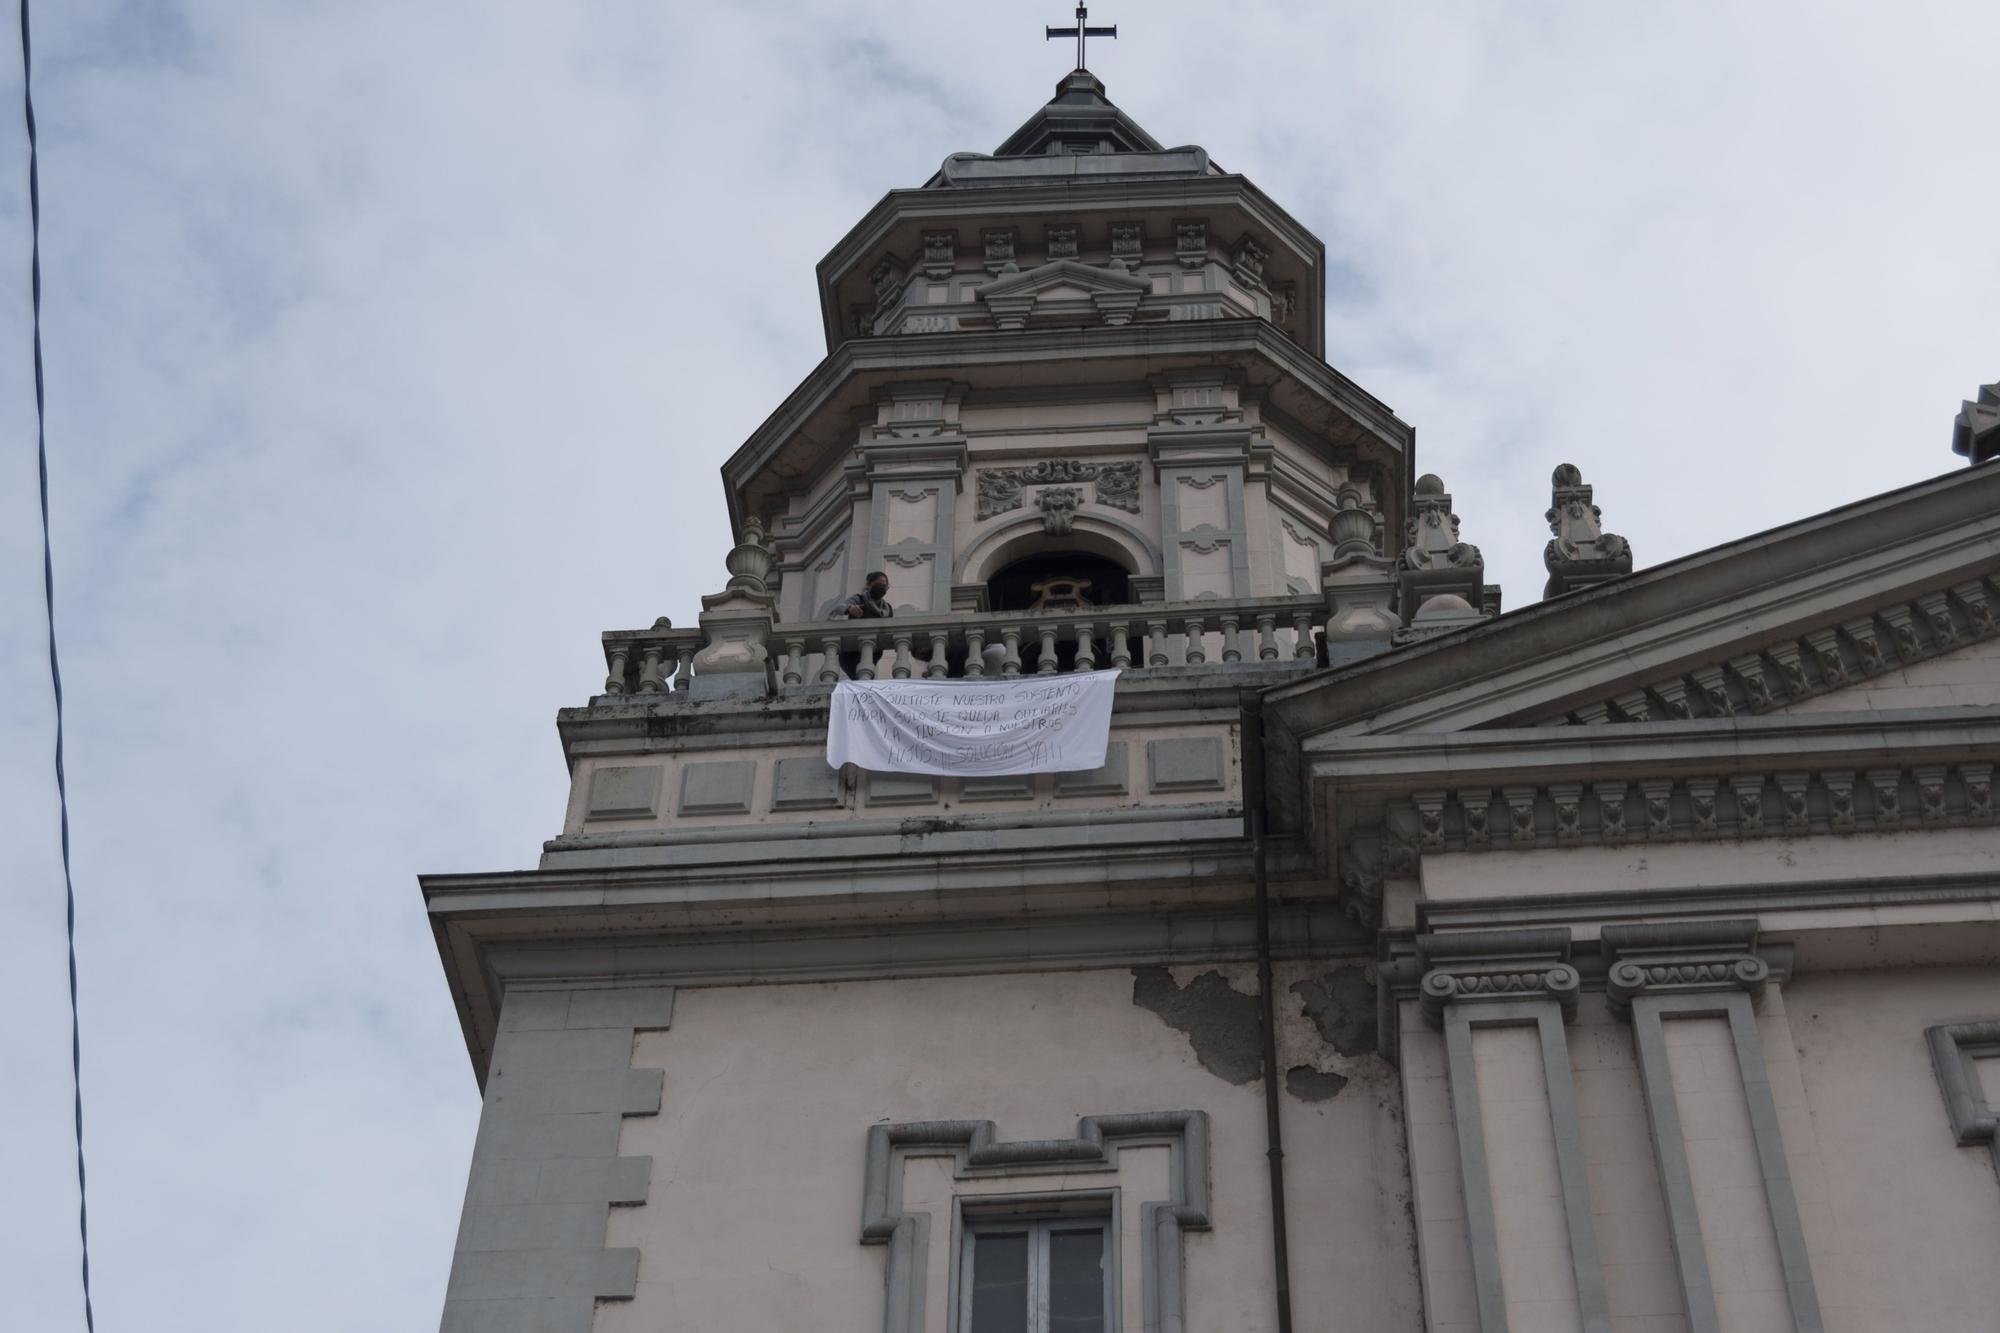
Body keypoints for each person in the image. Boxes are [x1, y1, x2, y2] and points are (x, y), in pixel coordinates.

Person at [834, 571, 891, 678]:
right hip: (851, 652)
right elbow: (838, 608)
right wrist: (850, 608)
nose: (881, 588)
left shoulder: (888, 608)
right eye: (878, 584)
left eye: (884, 586)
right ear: (869, 585)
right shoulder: (859, 599)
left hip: (873, 651)